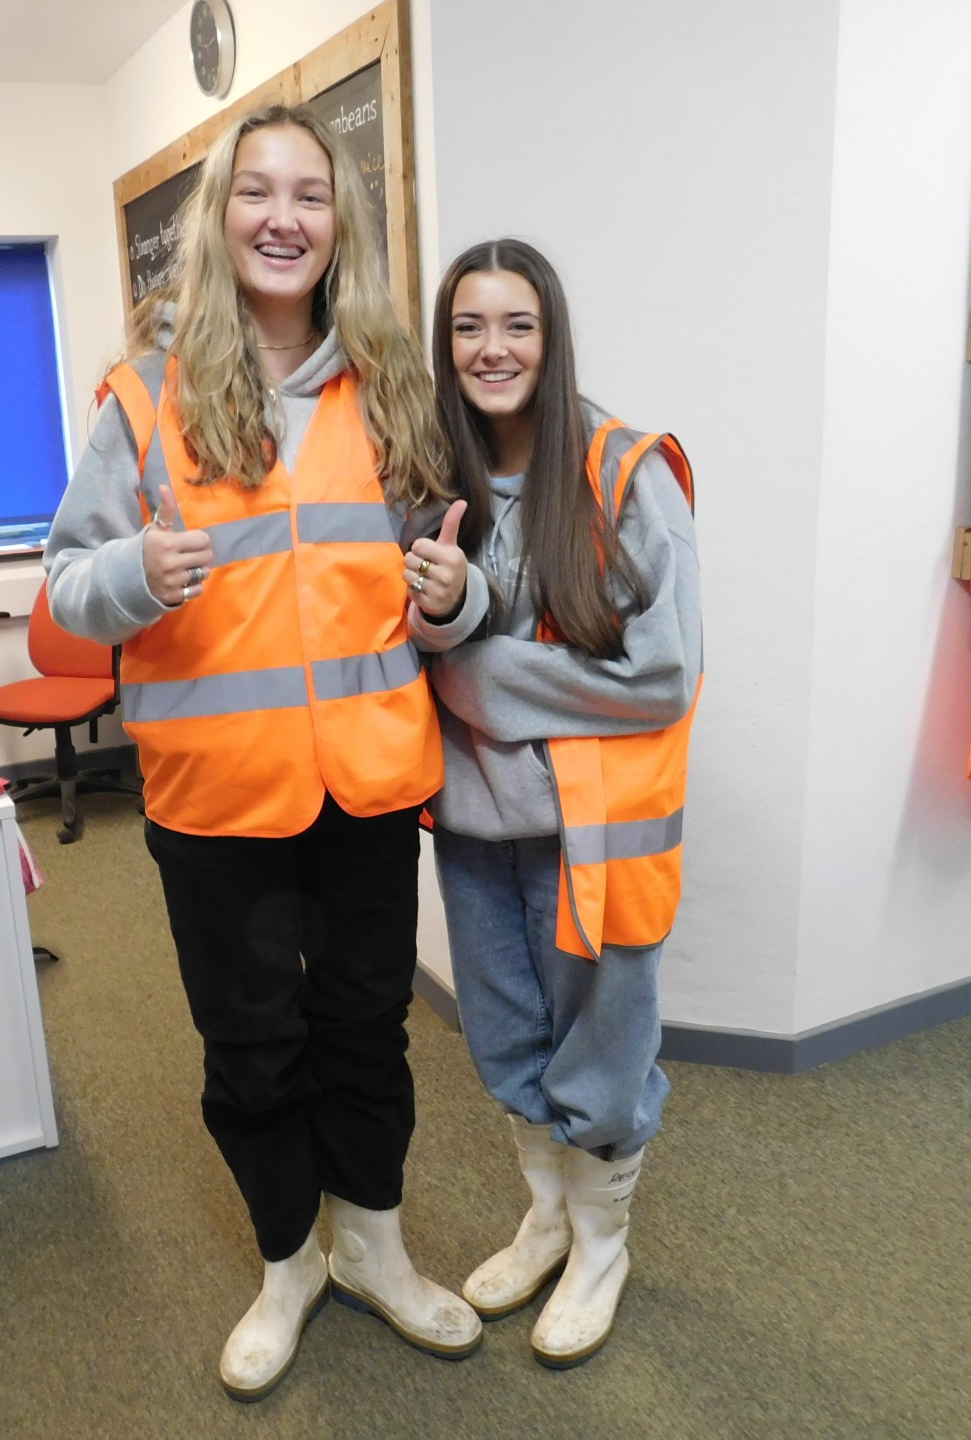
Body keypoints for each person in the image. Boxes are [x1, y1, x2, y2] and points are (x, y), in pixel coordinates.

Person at [44, 104, 488, 1402]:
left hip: (366, 784)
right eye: (258, 192)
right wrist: (134, 570)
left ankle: (378, 1251)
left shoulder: (392, 385)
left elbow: (442, 578)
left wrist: (454, 596)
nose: (284, 217)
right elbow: (66, 589)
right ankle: (290, 1261)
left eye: (311, 193)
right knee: (250, 1045)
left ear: (340, 222)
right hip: (214, 796)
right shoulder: (145, 397)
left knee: (366, 1031)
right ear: (220, 219)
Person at [424, 238, 701, 1369]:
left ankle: (602, 1247)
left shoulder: (625, 473)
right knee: (505, 1037)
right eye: (469, 327)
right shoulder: (430, 474)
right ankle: (548, 1220)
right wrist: (446, 618)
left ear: (553, 336)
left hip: (592, 831)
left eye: (517, 325)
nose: (492, 349)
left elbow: (664, 676)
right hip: (472, 827)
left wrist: (479, 671)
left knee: (604, 1049)